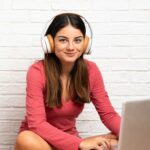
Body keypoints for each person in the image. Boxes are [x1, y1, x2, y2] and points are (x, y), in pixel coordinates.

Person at [14, 13, 121, 150]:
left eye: (77, 40)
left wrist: (132, 132)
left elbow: (108, 115)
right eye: (63, 40)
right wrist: (80, 144)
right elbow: (37, 124)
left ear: (86, 43)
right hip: (40, 142)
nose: (71, 47)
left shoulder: (91, 70)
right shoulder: (37, 72)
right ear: (50, 43)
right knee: (26, 139)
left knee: (116, 137)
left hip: (70, 141)